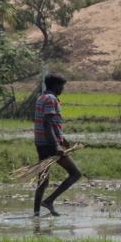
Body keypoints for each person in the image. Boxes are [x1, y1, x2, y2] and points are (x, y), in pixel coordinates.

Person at [32, 74, 83, 217]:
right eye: (61, 86)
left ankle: (36, 213)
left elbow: (50, 123)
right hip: (50, 145)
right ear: (55, 85)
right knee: (75, 173)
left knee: (43, 179)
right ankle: (49, 201)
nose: (62, 89)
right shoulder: (51, 99)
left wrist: (62, 139)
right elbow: (47, 123)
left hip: (41, 143)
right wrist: (57, 145)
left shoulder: (41, 98)